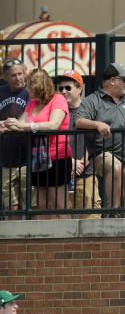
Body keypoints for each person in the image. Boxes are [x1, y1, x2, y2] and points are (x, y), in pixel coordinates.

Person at [2, 69, 72, 218]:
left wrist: (26, 126)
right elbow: (20, 123)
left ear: (38, 87)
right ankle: (47, 240)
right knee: (42, 206)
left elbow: (53, 124)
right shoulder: (32, 102)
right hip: (37, 160)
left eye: (29, 86)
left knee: (59, 206)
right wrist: (5, 124)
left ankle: (66, 238)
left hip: (57, 157)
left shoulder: (58, 99)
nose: (26, 89)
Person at [75, 62, 125, 210]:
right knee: (115, 167)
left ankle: (115, 214)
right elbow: (79, 121)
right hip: (102, 154)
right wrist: (97, 124)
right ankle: (112, 210)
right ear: (112, 80)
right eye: (124, 79)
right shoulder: (92, 100)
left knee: (124, 204)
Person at [56, 70, 101, 218]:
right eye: (60, 88)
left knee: (90, 220)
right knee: (60, 223)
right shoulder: (56, 111)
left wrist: (81, 162)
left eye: (68, 88)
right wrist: (71, 162)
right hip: (61, 175)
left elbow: (98, 140)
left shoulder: (90, 109)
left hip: (86, 172)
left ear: (80, 88)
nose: (63, 91)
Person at [0, 58, 30, 217]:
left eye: (20, 74)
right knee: (11, 205)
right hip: (6, 160)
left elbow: (36, 118)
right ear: (5, 76)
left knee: (32, 205)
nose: (18, 78)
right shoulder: (1, 92)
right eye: (13, 75)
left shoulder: (30, 92)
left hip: (29, 159)